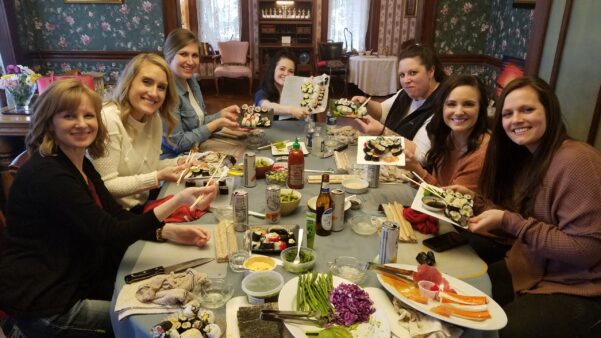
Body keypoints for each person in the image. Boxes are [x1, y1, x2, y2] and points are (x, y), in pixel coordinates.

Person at [0, 79, 218, 338]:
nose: (82, 123)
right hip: (49, 306)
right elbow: (111, 233)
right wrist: (177, 201)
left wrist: (166, 231)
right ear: (49, 122)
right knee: (165, 325)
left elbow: (114, 215)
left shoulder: (75, 161)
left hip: (77, 281)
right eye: (69, 116)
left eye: (89, 115)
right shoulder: (50, 175)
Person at [461, 77, 601, 337]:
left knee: (491, 333)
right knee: (454, 299)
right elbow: (518, 220)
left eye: (527, 110)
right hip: (529, 267)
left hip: (579, 287)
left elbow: (587, 250)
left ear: (549, 110)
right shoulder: (529, 157)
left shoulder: (576, 160)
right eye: (507, 113)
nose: (516, 120)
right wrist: (473, 202)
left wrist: (508, 221)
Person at [91, 53, 188, 211]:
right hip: (114, 216)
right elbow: (107, 185)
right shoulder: (108, 119)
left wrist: (179, 163)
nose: (154, 93)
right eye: (147, 82)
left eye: (161, 87)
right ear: (129, 82)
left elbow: (146, 167)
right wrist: (159, 177)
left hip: (142, 204)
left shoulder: (153, 118)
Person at [342, 44, 446, 163]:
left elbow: (420, 155)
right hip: (391, 159)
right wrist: (366, 104)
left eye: (413, 73)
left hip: (411, 173)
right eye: (402, 75)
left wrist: (382, 132)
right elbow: (382, 110)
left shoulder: (443, 105)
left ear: (431, 71)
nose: (406, 80)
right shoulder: (406, 93)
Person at [161, 28, 240, 158]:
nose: (191, 61)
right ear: (169, 55)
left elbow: (198, 122)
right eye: (183, 54)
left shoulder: (192, 81)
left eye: (195, 55)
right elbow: (177, 144)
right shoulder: (166, 91)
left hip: (195, 149)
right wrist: (217, 123)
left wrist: (221, 115)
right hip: (175, 161)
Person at [404, 75, 490, 192]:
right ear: (442, 107)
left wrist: (417, 169)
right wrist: (413, 173)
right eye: (451, 104)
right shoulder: (448, 137)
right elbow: (436, 184)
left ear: (481, 109)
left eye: (468, 104)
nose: (459, 112)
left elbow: (451, 202)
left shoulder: (482, 154)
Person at [254, 49, 310, 120]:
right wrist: (291, 110)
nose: (286, 74)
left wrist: (313, 84)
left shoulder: (296, 92)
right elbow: (265, 106)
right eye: (282, 69)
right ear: (273, 69)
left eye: (291, 71)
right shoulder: (262, 92)